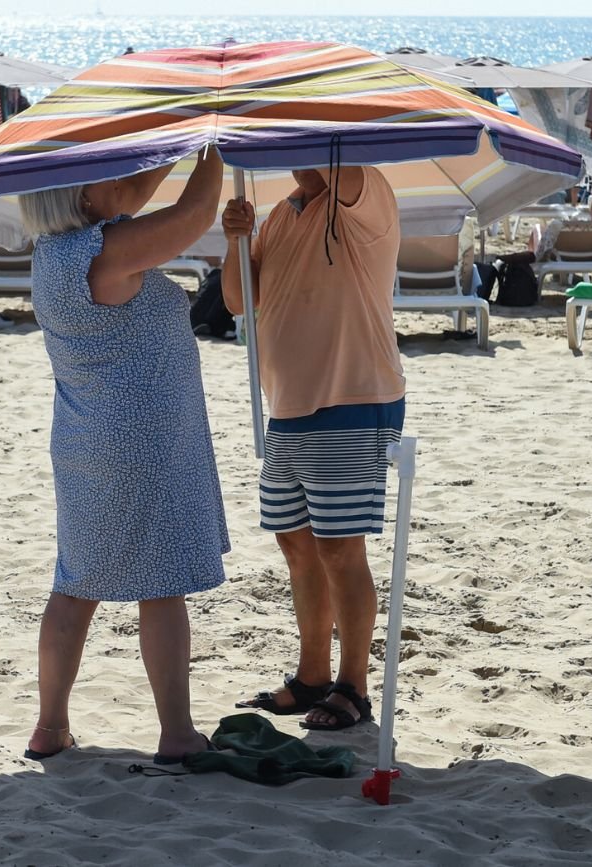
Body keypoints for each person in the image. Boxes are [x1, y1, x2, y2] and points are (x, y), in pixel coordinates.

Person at [17, 148, 229, 763]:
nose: (125, 181)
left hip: (87, 438)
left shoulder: (59, 253)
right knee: (160, 584)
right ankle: (177, 733)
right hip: (139, 441)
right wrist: (212, 142)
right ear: (86, 197)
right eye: (111, 174)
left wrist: (179, 145)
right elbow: (194, 215)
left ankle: (50, 726)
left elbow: (132, 198)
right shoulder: (102, 254)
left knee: (76, 584)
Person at [220, 163, 404, 732]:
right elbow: (236, 301)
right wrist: (235, 242)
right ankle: (312, 676)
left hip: (350, 396)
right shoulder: (281, 213)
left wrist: (307, 117)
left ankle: (353, 685)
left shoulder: (359, 189)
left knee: (339, 549)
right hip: (288, 405)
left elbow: (338, 158)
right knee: (296, 545)